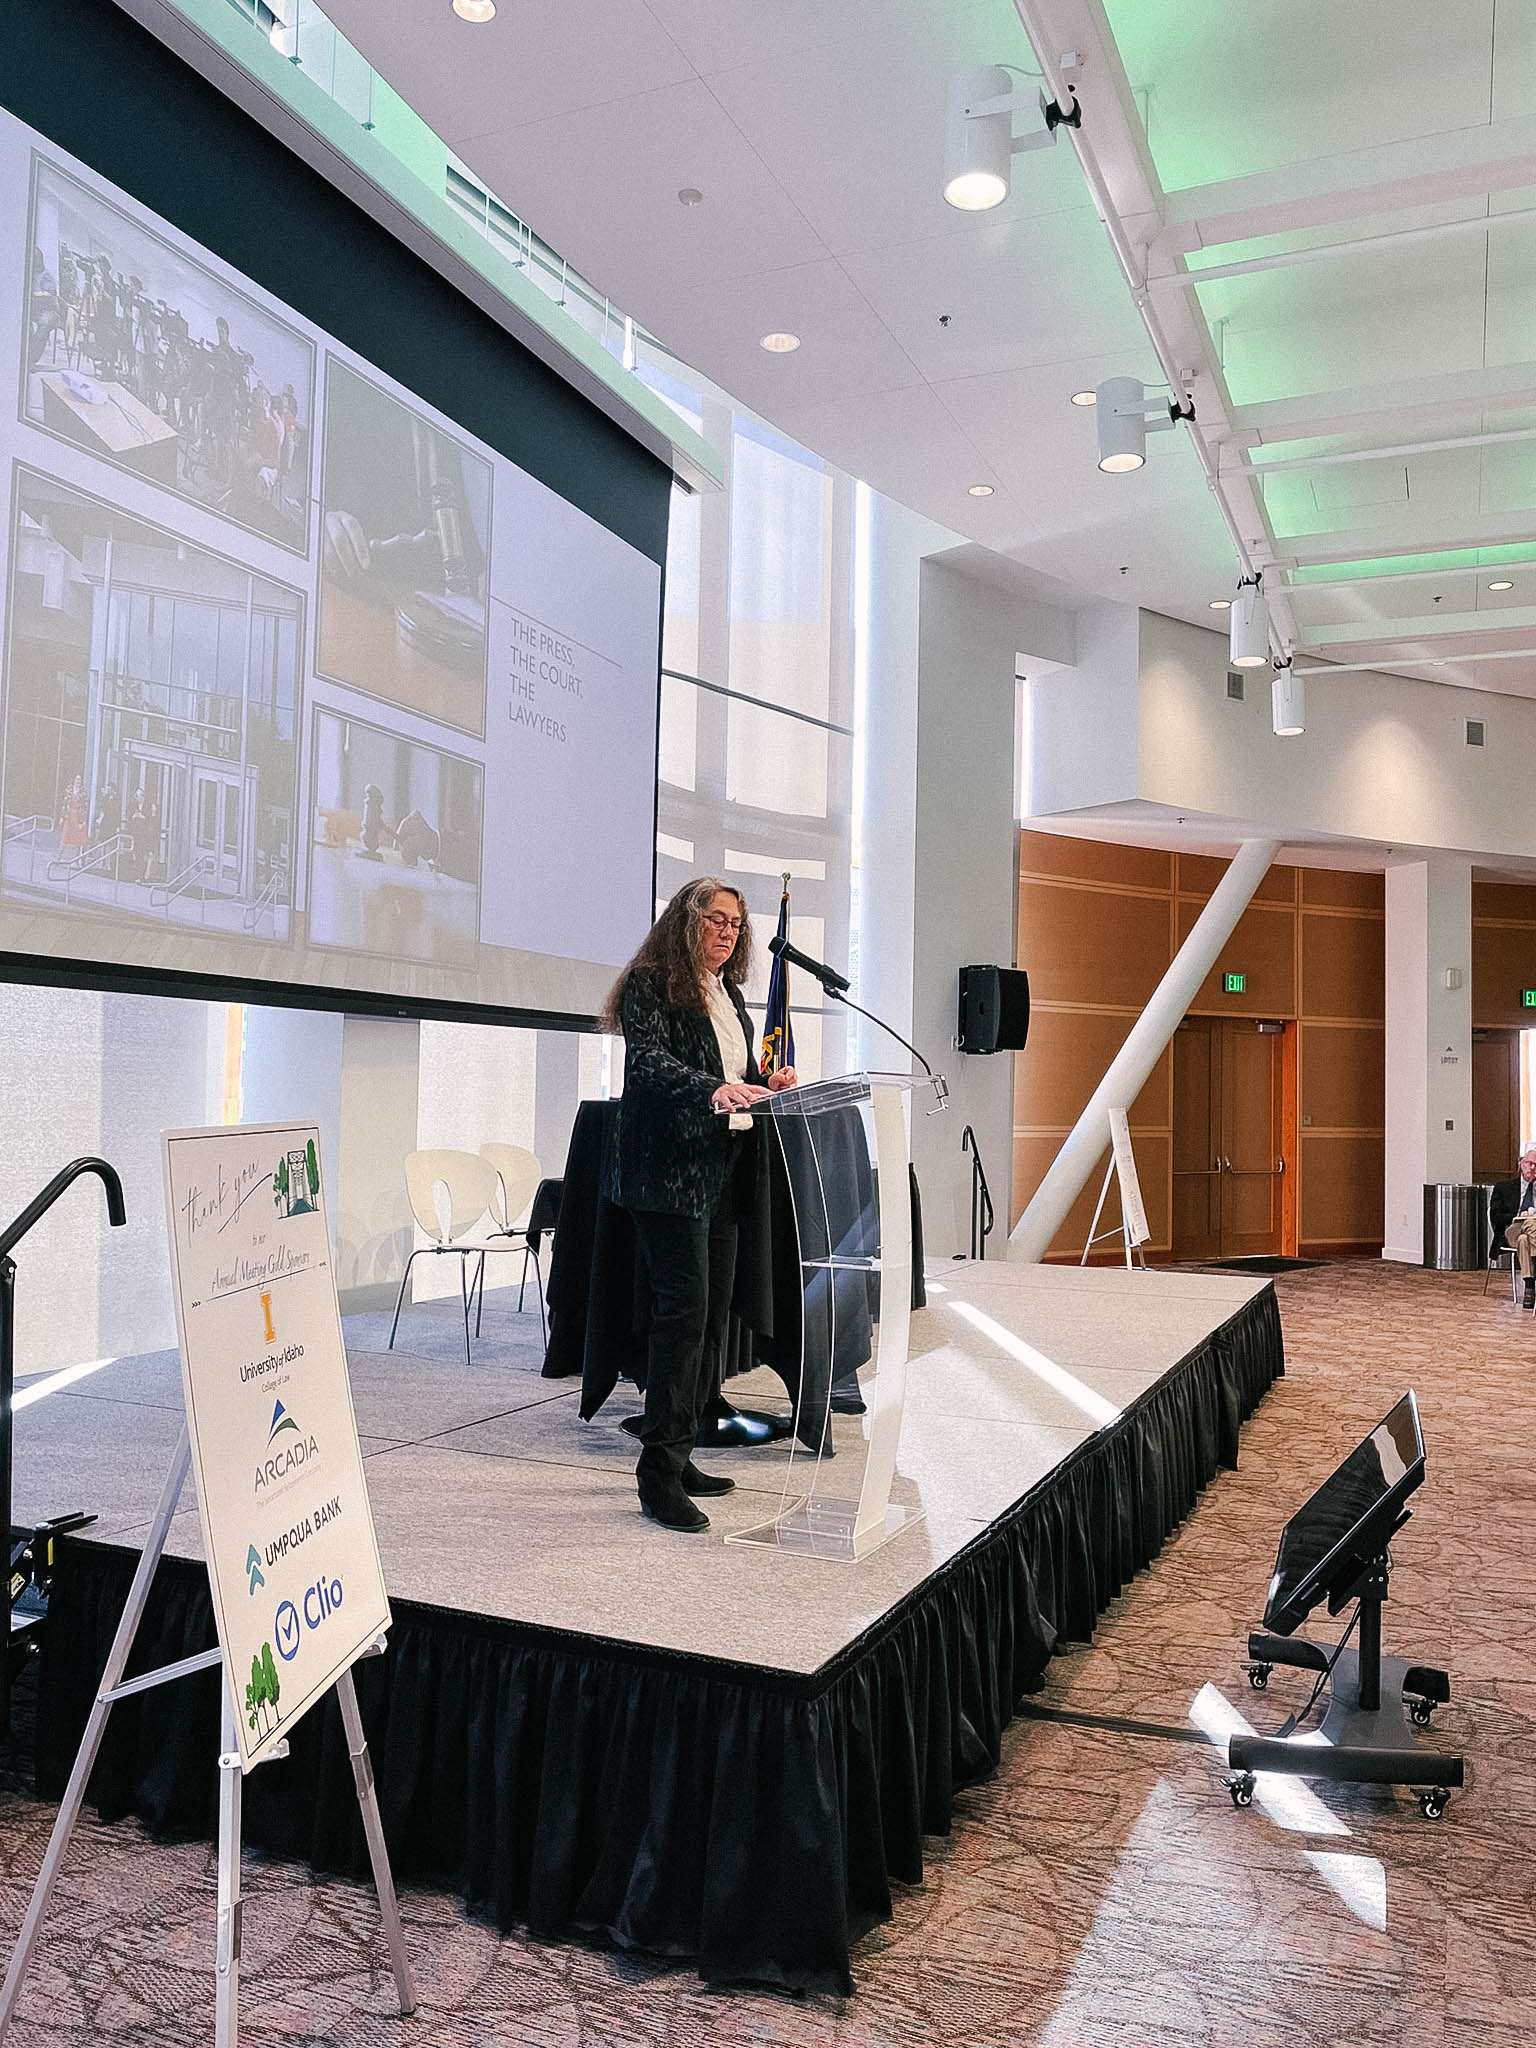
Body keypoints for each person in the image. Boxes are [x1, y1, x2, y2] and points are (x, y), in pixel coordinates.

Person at [601, 878, 797, 1532]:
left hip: (721, 1173)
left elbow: (732, 1073)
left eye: (736, 925)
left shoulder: (728, 993)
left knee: (709, 1320)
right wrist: (713, 1090)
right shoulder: (650, 983)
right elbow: (650, 1067)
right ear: (685, 922)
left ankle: (681, 1450)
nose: (726, 932)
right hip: (667, 1175)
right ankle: (657, 1476)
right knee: (681, 1318)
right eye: (714, 920)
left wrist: (763, 1083)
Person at [1489, 1147, 1536, 1307]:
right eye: (1529, 1163)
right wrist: (1518, 1217)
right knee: (1527, 1224)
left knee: (1525, 1240)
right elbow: (1495, 1216)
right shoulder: (1504, 1187)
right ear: (1520, 1163)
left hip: (1529, 1235)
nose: (1532, 1168)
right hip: (1511, 1229)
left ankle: (1529, 1287)